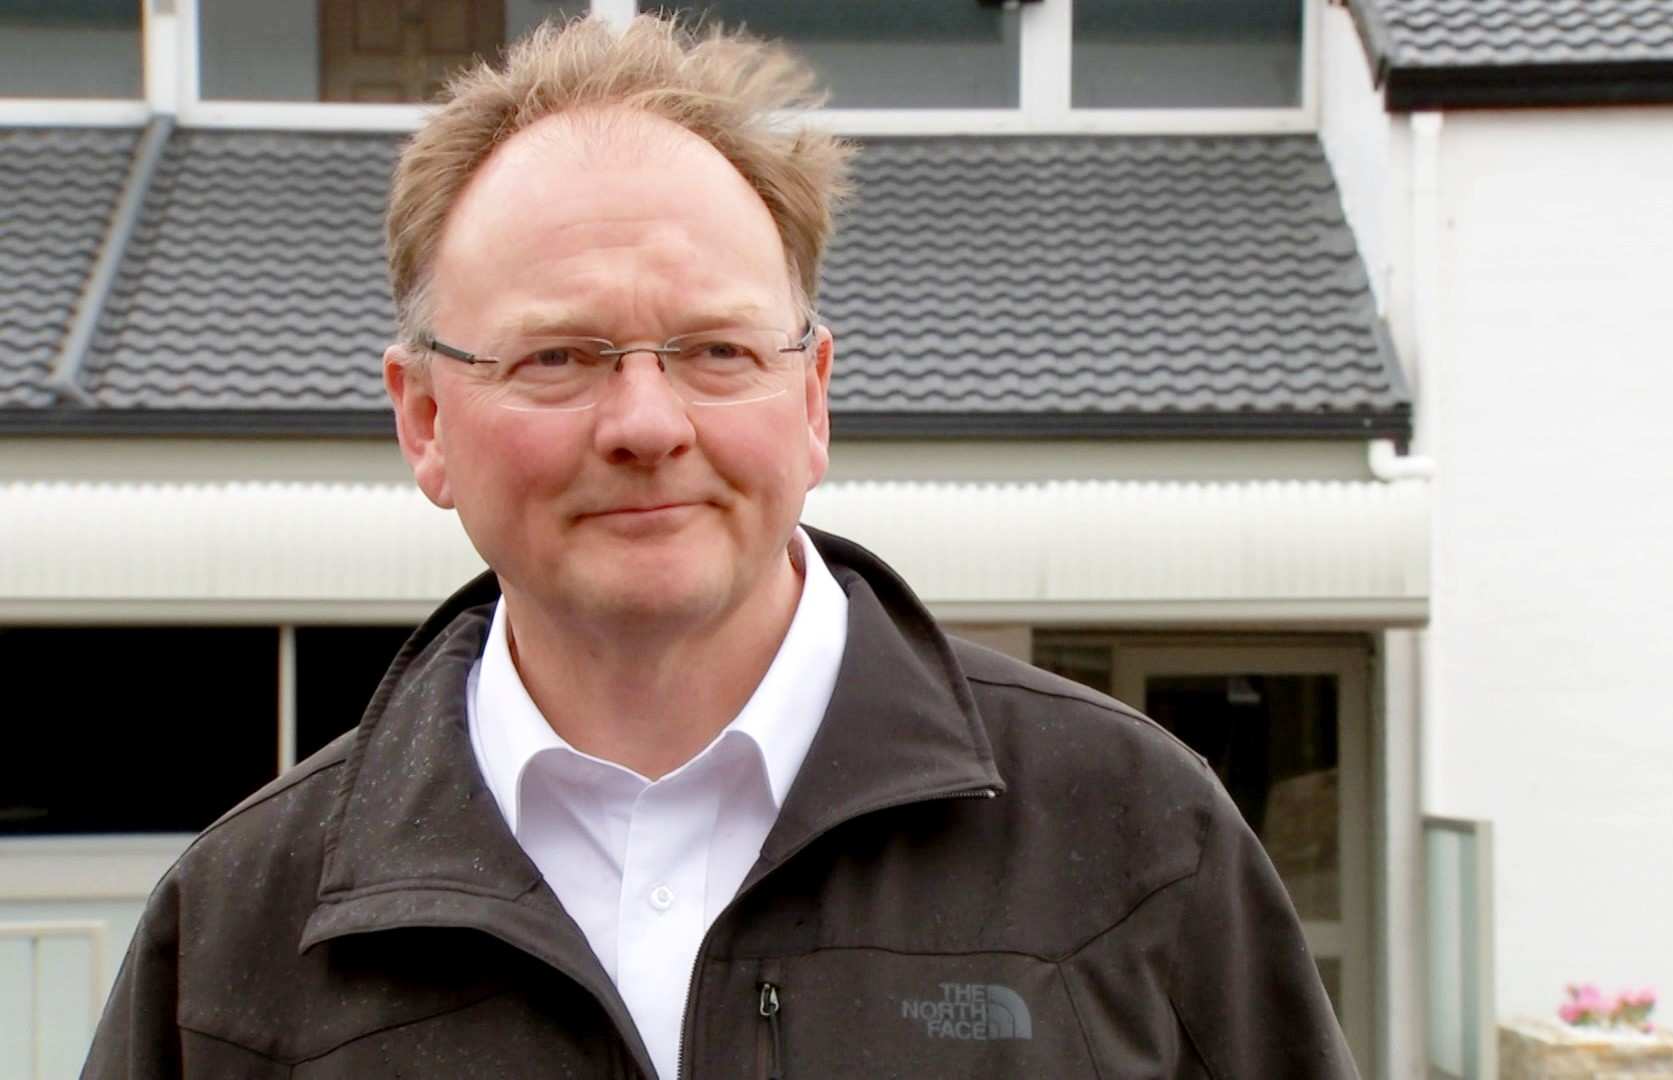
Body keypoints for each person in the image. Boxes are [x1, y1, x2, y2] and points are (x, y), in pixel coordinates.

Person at [83, 14, 1355, 1079]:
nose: (647, 423)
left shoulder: (1135, 839)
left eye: (717, 351)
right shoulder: (237, 938)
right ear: (423, 418)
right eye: (559, 357)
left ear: (811, 400)